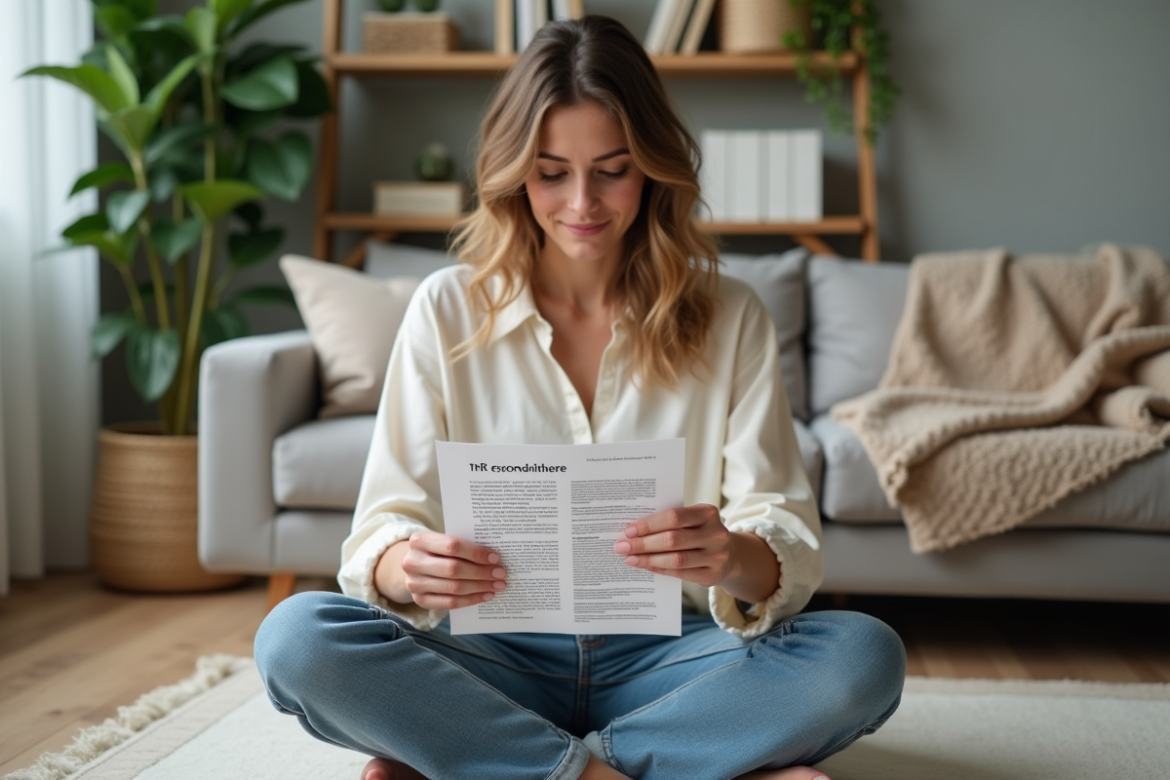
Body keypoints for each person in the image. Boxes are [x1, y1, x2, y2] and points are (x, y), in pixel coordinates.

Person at [255, 16, 905, 780]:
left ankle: (487, 758)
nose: (582, 202)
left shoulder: (732, 315)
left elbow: (783, 534)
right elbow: (384, 527)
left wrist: (729, 554)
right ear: (514, 173)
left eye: (613, 168)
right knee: (296, 638)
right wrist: (408, 567)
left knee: (864, 656)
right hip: (489, 653)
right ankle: (660, 764)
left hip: (673, 657)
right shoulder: (446, 308)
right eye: (552, 171)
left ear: (655, 168)